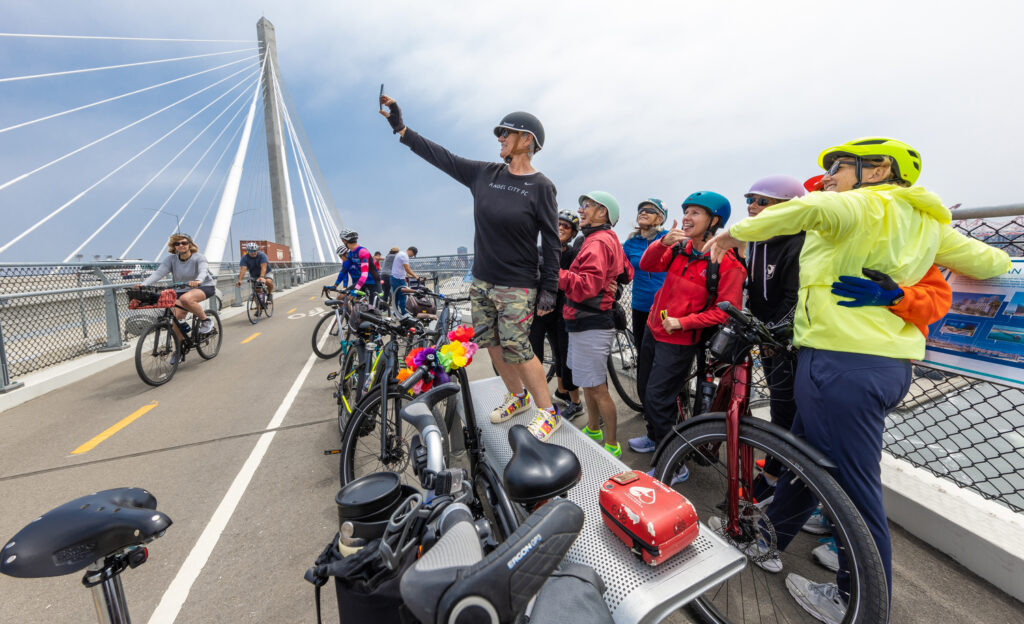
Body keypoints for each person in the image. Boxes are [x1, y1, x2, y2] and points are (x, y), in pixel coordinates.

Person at [705, 137, 1011, 623]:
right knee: (805, 460)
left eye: (839, 167)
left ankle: (860, 601)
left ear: (877, 169)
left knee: (854, 490)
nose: (827, 177)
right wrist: (908, 287)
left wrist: (733, 233)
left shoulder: (858, 205)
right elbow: (992, 262)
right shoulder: (928, 223)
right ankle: (769, 540)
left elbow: (796, 213)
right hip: (887, 366)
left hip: (838, 360)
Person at [380, 94, 561, 441]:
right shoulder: (485, 174)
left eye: (506, 133)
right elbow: (442, 157)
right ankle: (518, 397)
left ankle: (548, 412)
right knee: (490, 342)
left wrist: (549, 287)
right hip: (483, 281)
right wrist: (401, 129)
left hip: (518, 284)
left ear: (527, 141)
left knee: (518, 348)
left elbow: (551, 241)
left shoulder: (541, 187)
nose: (500, 138)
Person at [629, 192, 746, 484]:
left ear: (714, 221)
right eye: (686, 212)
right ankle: (657, 437)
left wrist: (683, 322)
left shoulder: (727, 263)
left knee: (659, 398)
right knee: (645, 390)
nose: (687, 218)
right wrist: (662, 242)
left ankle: (675, 462)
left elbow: (725, 312)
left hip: (679, 340)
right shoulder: (680, 247)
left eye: (696, 212)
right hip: (655, 328)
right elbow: (648, 264)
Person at [561, 192, 633, 456]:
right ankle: (593, 428)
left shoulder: (597, 242)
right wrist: (611, 281)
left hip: (591, 322)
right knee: (588, 382)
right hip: (588, 321)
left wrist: (553, 275)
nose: (581, 210)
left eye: (587, 205)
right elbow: (628, 271)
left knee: (597, 388)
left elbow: (587, 286)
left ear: (603, 212)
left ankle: (612, 445)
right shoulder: (607, 238)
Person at [530, 210, 583, 420]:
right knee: (535, 356)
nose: (561, 227)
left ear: (572, 233)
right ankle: (542, 399)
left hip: (562, 312)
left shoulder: (572, 255)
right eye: (557, 224)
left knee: (563, 354)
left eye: (566, 226)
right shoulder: (538, 251)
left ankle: (573, 399)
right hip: (540, 310)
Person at [137, 233, 217, 361]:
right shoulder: (171, 259)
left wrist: (198, 280)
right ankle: (179, 351)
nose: (181, 245)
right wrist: (143, 284)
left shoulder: (199, 257)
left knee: (186, 299)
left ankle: (206, 320)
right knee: (176, 319)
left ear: (190, 245)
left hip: (203, 286)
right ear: (174, 246)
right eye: (177, 243)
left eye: (184, 243)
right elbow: (159, 273)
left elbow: (203, 270)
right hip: (181, 289)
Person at [622, 198, 668, 353]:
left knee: (661, 350)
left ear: (660, 218)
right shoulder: (631, 243)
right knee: (641, 349)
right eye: (641, 210)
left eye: (650, 210)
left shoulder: (667, 238)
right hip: (639, 304)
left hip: (664, 306)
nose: (643, 212)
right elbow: (621, 269)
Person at [334, 230, 381, 300]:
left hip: (373, 282)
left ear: (344, 241)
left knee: (373, 309)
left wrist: (355, 289)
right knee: (341, 297)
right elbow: (344, 271)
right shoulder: (350, 254)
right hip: (362, 282)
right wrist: (335, 286)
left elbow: (364, 275)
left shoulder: (363, 252)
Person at [390, 246, 421, 314]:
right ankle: (404, 314)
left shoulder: (400, 253)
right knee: (403, 296)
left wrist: (407, 274)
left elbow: (401, 267)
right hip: (399, 279)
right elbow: (407, 268)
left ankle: (396, 314)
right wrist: (417, 277)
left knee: (396, 297)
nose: (412, 257)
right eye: (413, 255)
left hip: (393, 278)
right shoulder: (405, 256)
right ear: (412, 252)